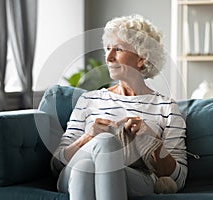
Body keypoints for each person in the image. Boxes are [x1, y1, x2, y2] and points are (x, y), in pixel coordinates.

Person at [51, 14, 187, 200]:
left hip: (136, 178)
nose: (108, 57)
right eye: (107, 49)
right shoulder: (89, 100)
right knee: (92, 155)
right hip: (73, 172)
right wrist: (89, 136)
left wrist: (152, 140)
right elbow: (57, 163)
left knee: (87, 166)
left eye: (118, 49)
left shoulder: (166, 107)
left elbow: (178, 178)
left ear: (141, 58)